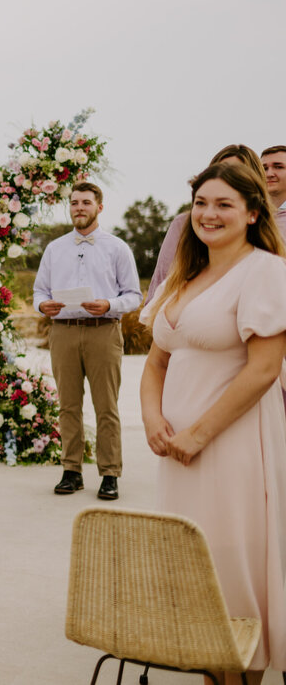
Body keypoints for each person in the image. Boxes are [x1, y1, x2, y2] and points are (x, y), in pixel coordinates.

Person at [139, 161, 286, 683]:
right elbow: (156, 362)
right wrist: (153, 418)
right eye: (201, 202)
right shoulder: (185, 276)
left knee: (235, 571)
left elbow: (265, 368)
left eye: (224, 204)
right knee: (198, 573)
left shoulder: (265, 271)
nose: (209, 213)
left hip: (232, 446)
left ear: (251, 213)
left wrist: (200, 432)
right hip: (176, 452)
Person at [33, 182, 141, 500]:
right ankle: (71, 470)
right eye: (75, 202)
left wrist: (109, 305)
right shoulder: (55, 249)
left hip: (103, 331)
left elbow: (133, 295)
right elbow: (40, 290)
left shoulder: (117, 248)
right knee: (68, 405)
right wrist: (42, 305)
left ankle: (110, 474)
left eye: (86, 202)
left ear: (99, 207)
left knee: (106, 405)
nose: (79, 207)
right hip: (63, 332)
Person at [146, 145, 275, 303]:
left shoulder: (267, 266)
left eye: (236, 173)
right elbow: (160, 282)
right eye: (219, 169)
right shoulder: (184, 224)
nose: (224, 177)